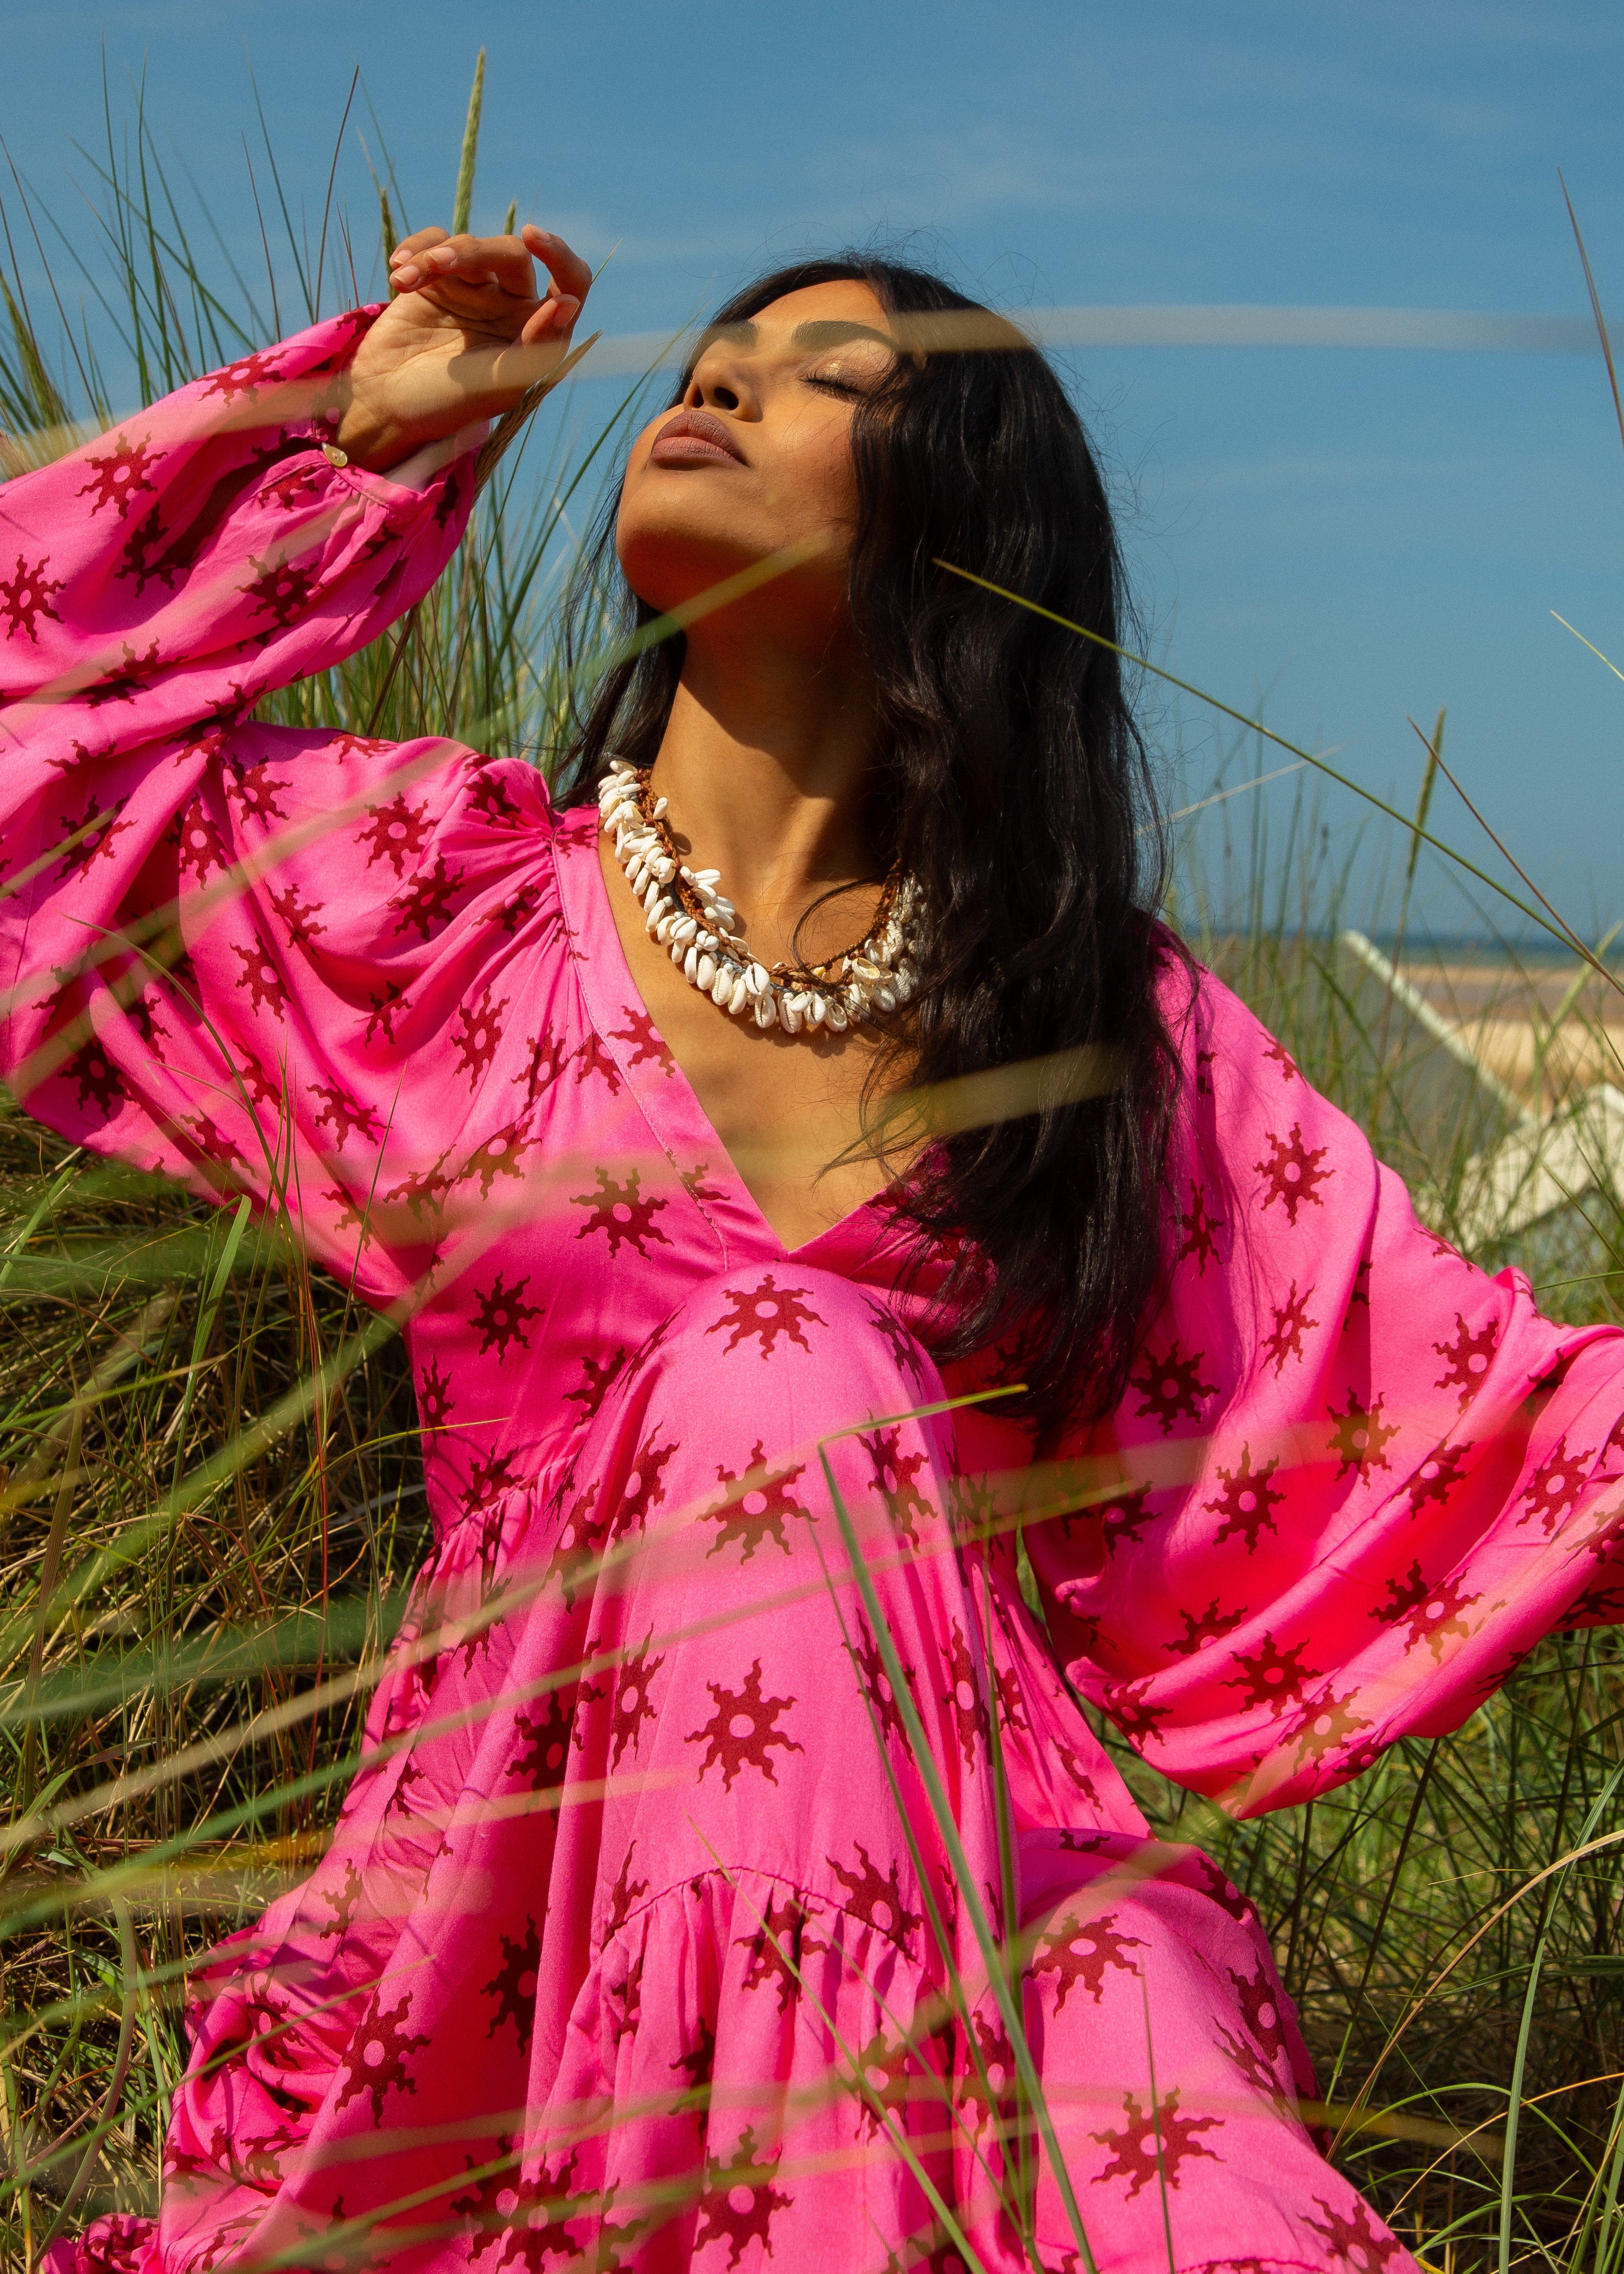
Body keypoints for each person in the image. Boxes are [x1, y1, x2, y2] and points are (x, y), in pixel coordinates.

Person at [4, 218, 1621, 2274]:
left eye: (829, 375)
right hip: (523, 1911)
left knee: (1222, 2214)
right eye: (723, 355)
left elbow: (1473, 1408)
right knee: (774, 1355)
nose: (724, 381)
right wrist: (348, 432)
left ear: (961, 527)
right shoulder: (441, 904)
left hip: (999, 1881)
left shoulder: (1079, 1033)